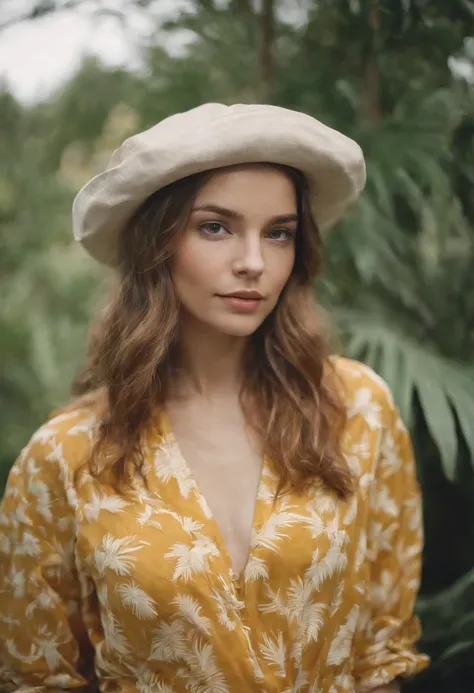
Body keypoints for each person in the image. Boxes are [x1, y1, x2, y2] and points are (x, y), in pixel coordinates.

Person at [0, 103, 429, 693]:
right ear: (156, 245)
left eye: (278, 233)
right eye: (215, 227)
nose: (254, 262)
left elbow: (382, 651)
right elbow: (36, 674)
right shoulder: (66, 454)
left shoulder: (358, 409)